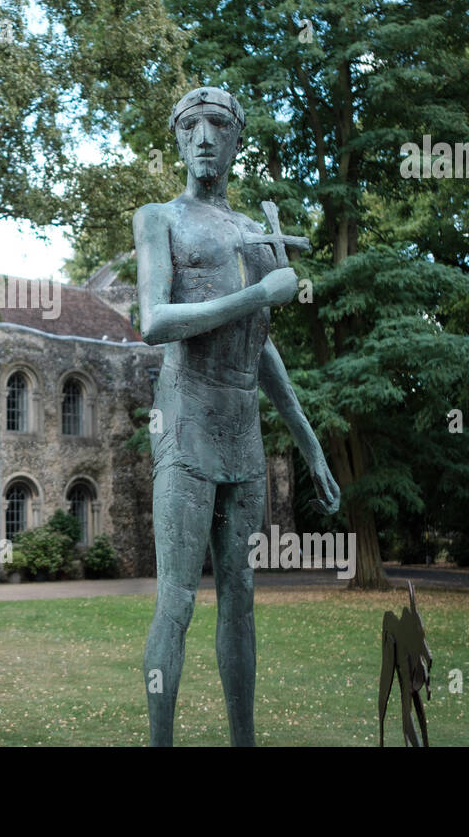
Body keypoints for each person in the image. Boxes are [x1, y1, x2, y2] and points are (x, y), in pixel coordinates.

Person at [133, 86, 341, 746]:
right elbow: (155, 321)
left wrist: (309, 447)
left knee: (242, 603)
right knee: (177, 601)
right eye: (190, 124)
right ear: (177, 137)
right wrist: (258, 291)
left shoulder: (255, 233)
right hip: (186, 418)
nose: (203, 136)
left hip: (242, 429)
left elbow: (265, 349)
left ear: (235, 140)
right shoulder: (159, 218)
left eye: (217, 125)